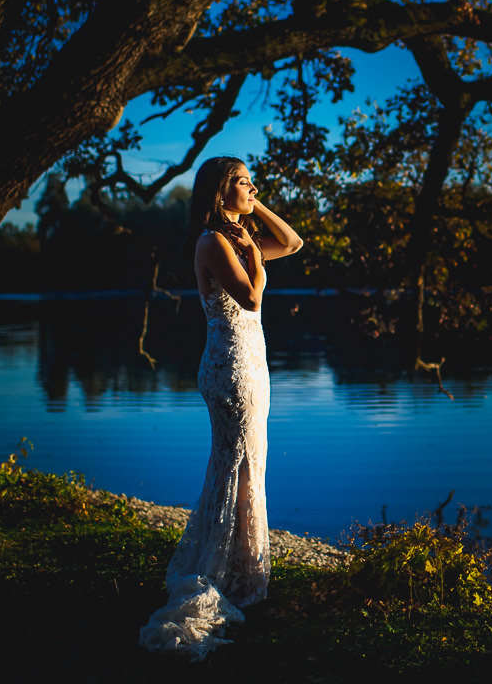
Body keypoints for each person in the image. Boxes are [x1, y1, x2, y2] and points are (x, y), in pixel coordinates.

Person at [140, 157, 303, 659]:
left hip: (252, 363)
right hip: (230, 367)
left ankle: (241, 566)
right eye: (240, 182)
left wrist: (254, 207)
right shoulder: (213, 243)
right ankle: (219, 570)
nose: (251, 187)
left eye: (252, 182)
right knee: (234, 465)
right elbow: (251, 297)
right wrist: (251, 246)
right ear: (216, 191)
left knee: (250, 463)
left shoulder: (237, 237)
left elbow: (293, 243)